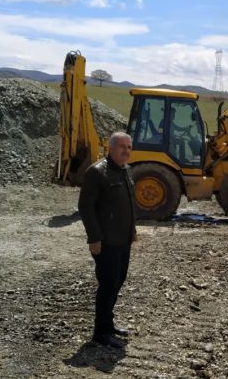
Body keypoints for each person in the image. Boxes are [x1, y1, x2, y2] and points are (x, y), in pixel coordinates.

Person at [78, 131, 137, 349]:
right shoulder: (97, 172)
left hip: (123, 240)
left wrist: (132, 233)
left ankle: (108, 324)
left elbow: (129, 204)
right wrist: (94, 238)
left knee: (117, 282)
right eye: (122, 146)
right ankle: (100, 333)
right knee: (107, 285)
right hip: (106, 241)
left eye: (129, 147)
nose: (126, 151)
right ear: (110, 148)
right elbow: (85, 207)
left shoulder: (126, 171)